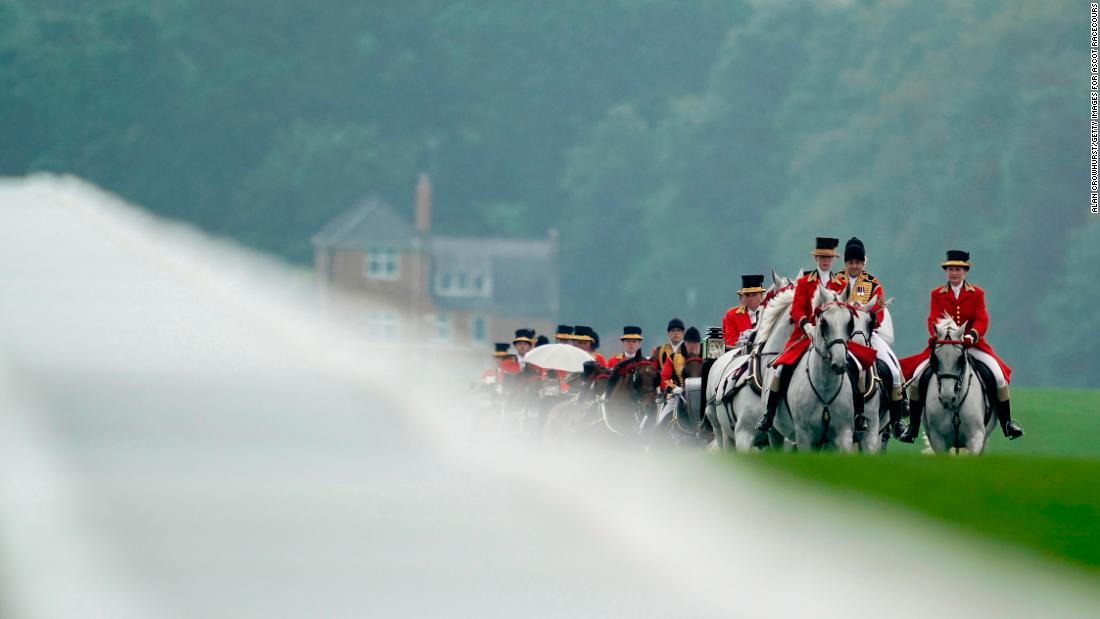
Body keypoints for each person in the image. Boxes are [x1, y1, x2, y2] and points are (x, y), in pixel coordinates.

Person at [898, 250, 1023, 442]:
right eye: (950, 269)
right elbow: (933, 317)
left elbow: (982, 319)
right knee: (916, 379)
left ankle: (1007, 423)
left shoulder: (977, 293)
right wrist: (941, 334)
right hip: (945, 346)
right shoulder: (937, 294)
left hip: (972, 345)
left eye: (957, 269)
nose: (953, 273)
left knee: (998, 377)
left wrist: (972, 335)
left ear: (965, 271)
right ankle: (913, 427)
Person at [755, 236, 869, 433]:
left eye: (828, 257)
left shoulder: (840, 283)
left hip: (833, 337)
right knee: (780, 369)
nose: (825, 261)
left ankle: (859, 415)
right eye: (821, 257)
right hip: (803, 336)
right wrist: (806, 324)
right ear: (816, 258)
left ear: (833, 259)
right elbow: (796, 310)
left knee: (857, 368)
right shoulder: (804, 282)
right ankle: (769, 414)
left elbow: (845, 311)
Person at [835, 237, 906, 438]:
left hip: (868, 335)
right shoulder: (835, 281)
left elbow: (880, 311)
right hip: (841, 337)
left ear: (863, 262)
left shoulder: (873, 283)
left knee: (893, 370)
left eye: (857, 262)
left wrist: (867, 317)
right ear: (845, 263)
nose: (854, 266)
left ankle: (897, 419)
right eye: (850, 262)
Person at [722, 274, 766, 350]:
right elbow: (731, 343)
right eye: (747, 295)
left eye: (754, 295)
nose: (750, 298)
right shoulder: (732, 315)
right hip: (741, 357)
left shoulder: (769, 312)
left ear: (761, 296)